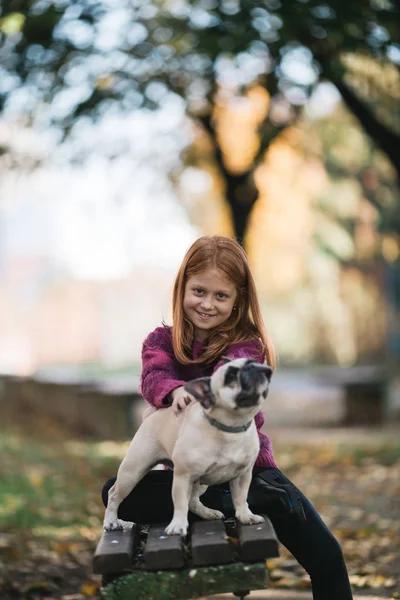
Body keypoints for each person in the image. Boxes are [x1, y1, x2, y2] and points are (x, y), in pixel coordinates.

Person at [102, 235, 353, 600]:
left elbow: (229, 384)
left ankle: (258, 497)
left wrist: (206, 392)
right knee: (115, 492)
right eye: (199, 291)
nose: (207, 304)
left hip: (250, 470)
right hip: (191, 474)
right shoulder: (160, 342)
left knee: (327, 553)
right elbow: (153, 376)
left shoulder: (245, 345)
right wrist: (174, 391)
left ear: (237, 302)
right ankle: (226, 501)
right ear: (182, 288)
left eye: (221, 296)